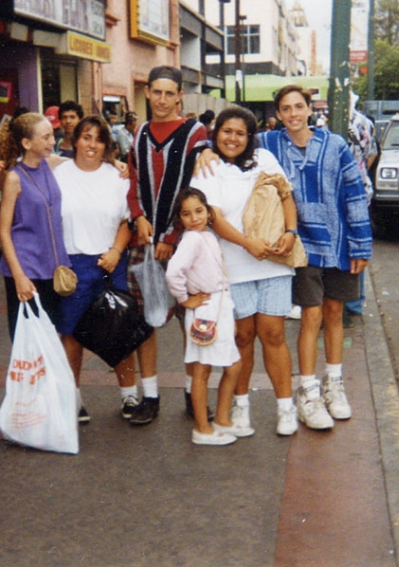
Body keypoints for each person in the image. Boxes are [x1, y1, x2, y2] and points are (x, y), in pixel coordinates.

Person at [260, 85, 372, 430]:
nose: (293, 114)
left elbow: (354, 193)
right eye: (285, 109)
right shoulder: (267, 144)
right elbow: (226, 144)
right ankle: (307, 391)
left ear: (310, 109)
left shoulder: (335, 145)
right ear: (277, 115)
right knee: (311, 316)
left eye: (298, 107)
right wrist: (205, 151)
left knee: (335, 312)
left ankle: (333, 384)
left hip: (337, 243)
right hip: (299, 246)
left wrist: (361, 244)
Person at [191, 107, 299, 436]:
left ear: (249, 137)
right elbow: (215, 217)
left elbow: (286, 196)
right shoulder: (207, 168)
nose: (232, 139)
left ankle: (286, 408)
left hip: (272, 262)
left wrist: (290, 233)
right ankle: (240, 406)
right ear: (216, 133)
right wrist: (246, 243)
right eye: (226, 132)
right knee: (242, 338)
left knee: (274, 334)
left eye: (240, 133)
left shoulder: (265, 159)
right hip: (232, 266)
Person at [125, 65, 208, 425]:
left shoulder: (194, 133)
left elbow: (195, 189)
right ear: (147, 93)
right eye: (155, 92)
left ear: (179, 96)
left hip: (185, 246)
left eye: (168, 93)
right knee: (145, 322)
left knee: (190, 320)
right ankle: (151, 395)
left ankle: (194, 393)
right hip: (143, 242)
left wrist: (172, 238)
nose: (161, 99)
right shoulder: (140, 133)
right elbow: (133, 183)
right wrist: (139, 218)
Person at [53, 115, 137, 423]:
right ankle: (73, 399)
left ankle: (129, 394)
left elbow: (126, 223)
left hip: (110, 261)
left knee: (119, 328)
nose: (92, 145)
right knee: (72, 333)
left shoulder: (117, 177)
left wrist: (115, 251)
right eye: (86, 137)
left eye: (99, 139)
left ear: (107, 145)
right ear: (75, 140)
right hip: (73, 263)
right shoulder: (58, 173)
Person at [164, 188, 246, 446]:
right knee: (202, 369)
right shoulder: (191, 240)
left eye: (199, 211)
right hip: (205, 310)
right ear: (180, 218)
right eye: (186, 214)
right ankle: (202, 428)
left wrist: (228, 314)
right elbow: (173, 272)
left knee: (232, 365)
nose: (194, 217)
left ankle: (221, 419)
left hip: (219, 307)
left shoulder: (207, 236)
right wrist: (184, 299)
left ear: (208, 212)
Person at [0, 112, 70, 345]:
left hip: (51, 269)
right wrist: (19, 277)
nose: (51, 142)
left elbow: (86, 161)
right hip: (26, 269)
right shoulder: (14, 179)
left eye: (52, 136)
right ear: (26, 143)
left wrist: (116, 163)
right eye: (46, 137)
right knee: (29, 343)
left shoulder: (50, 163)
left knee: (52, 338)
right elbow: (3, 231)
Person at [344, 103, 378, 322]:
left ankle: (348, 302)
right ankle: (355, 302)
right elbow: (372, 154)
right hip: (360, 186)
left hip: (341, 189)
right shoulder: (365, 121)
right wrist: (360, 168)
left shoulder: (322, 120)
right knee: (357, 241)